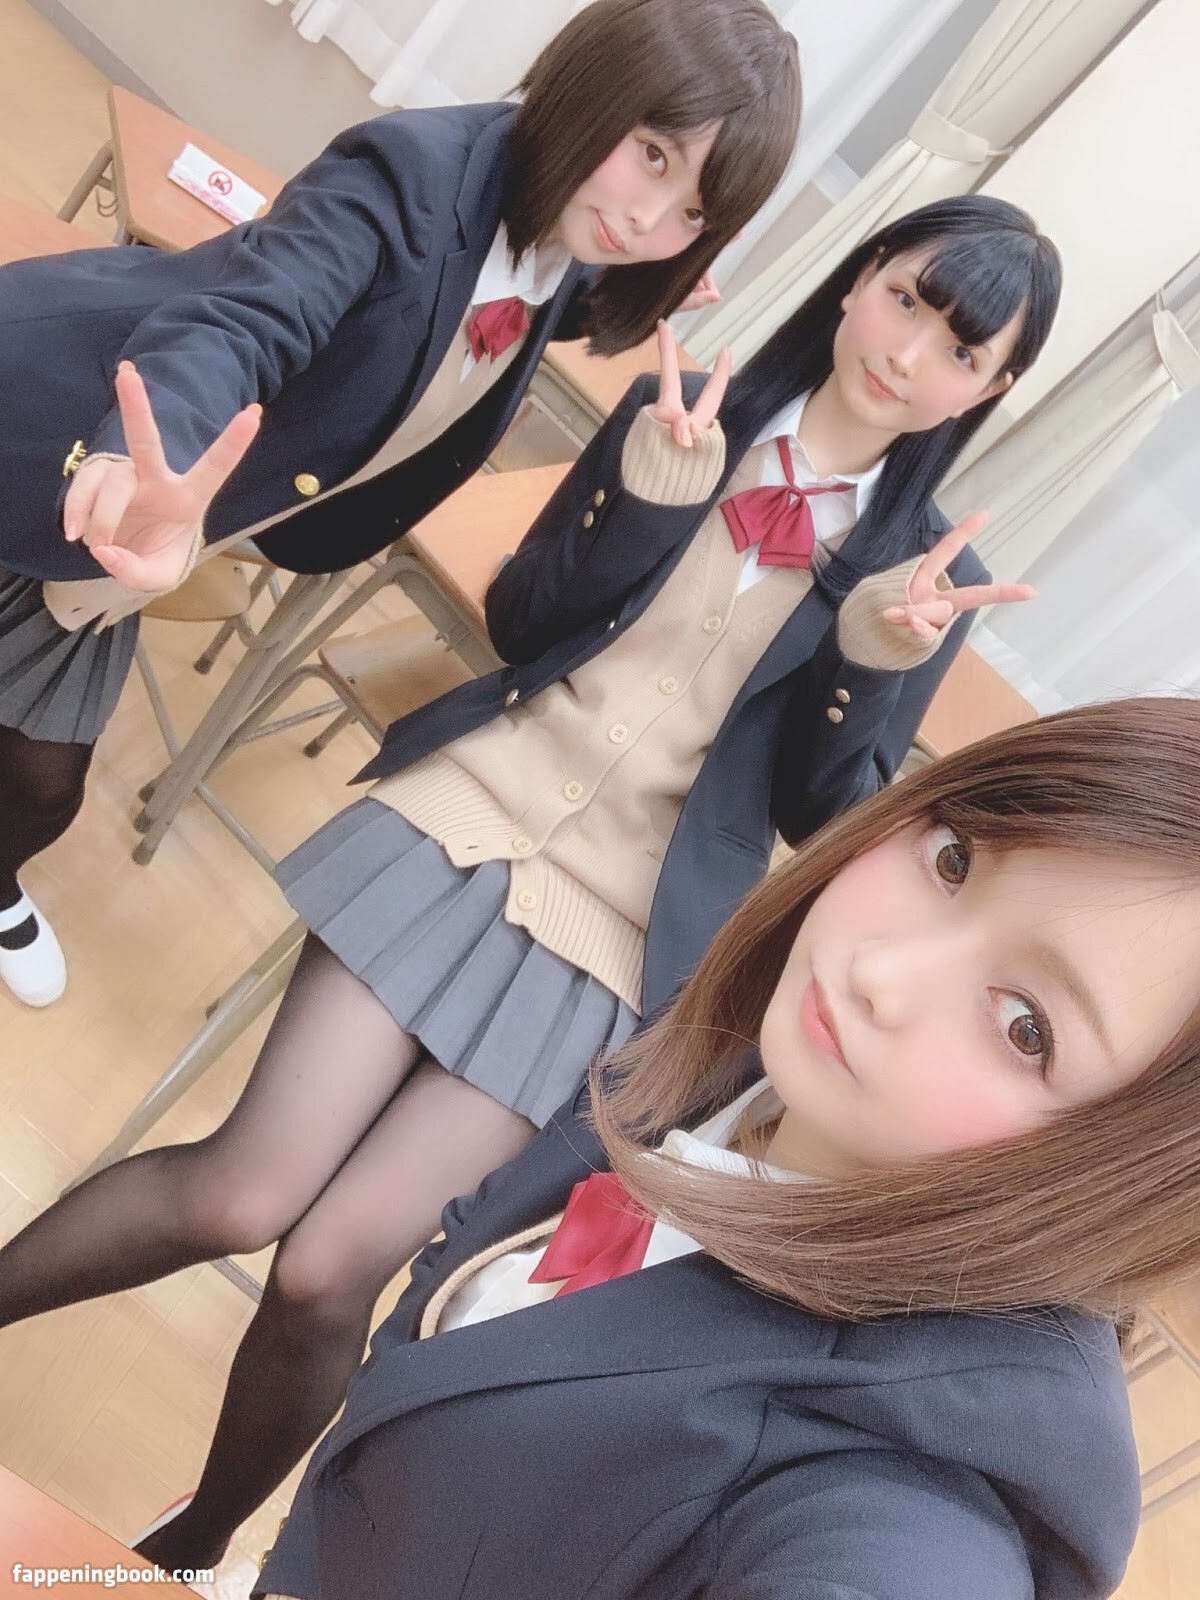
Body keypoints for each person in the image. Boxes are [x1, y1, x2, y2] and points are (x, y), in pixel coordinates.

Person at [0, 194, 1060, 1572]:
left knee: (329, 1268)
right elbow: (521, 619)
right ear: (860, 279)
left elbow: (820, 812)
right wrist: (651, 498)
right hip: (464, 817)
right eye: (909, 298)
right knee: (241, 1197)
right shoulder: (683, 415)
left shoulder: (926, 586)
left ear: (988, 392)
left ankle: (189, 1551)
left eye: (963, 350)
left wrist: (867, 662)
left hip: (613, 937)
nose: (911, 354)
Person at [254, 694, 1200, 1600]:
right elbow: (469, 1277)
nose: (880, 970)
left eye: (1026, 1028)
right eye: (952, 860)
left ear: (1125, 1172)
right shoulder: (750, 1059)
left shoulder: (900, 1498)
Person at [0, 0, 802, 1006]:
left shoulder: (561, 233)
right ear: (597, 85)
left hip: (148, 521)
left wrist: (626, 294)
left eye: (692, 212)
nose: (650, 219)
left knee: (39, 780)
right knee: (40, 779)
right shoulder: (407, 174)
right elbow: (247, 322)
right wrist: (149, 444)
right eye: (653, 154)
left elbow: (496, 305)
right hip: (59, 420)